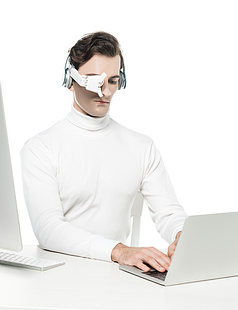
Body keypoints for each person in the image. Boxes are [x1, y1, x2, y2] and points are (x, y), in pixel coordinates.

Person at [20, 31, 187, 272]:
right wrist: (119, 251)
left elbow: (169, 212)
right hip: (57, 276)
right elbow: (48, 229)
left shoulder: (141, 147)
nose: (105, 93)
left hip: (117, 276)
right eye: (94, 81)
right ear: (71, 80)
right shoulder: (40, 148)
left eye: (112, 81)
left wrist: (181, 234)